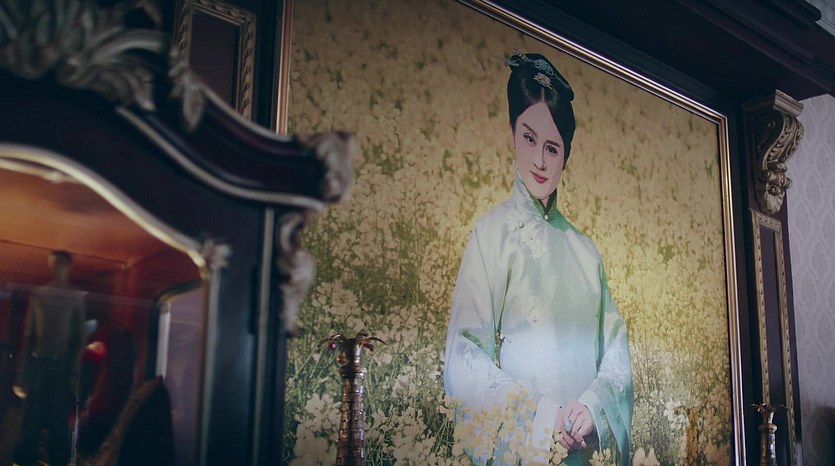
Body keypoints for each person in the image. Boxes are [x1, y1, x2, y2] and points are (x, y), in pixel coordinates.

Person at [444, 52, 633, 465]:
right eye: (529, 139)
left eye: (552, 147)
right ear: (512, 134)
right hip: (522, 450)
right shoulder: (491, 235)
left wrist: (592, 407)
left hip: (582, 448)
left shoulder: (585, 252)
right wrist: (542, 417)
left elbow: (616, 352)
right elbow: (464, 354)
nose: (540, 161)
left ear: (566, 154)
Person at [14, 250, 86, 466]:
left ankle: (58, 461)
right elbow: (29, 334)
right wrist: (22, 374)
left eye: (62, 264)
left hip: (61, 367)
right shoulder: (39, 293)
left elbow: (79, 337)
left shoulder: (75, 296)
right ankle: (24, 461)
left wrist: (74, 373)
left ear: (69, 266)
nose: (58, 268)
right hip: (38, 363)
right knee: (30, 420)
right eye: (54, 263)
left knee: (58, 421)